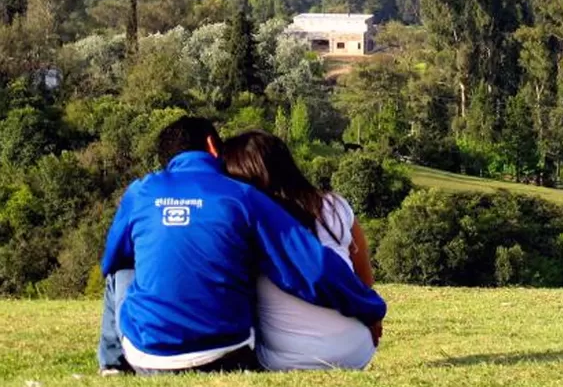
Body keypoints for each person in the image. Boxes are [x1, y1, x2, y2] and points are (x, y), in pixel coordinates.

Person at [98, 117, 386, 375]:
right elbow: (313, 268)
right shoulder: (243, 195)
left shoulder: (140, 192)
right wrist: (371, 308)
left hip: (148, 358)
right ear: (213, 146)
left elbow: (112, 260)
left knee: (120, 271)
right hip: (227, 355)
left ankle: (112, 366)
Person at [222, 131, 380, 370]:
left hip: (285, 360)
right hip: (357, 349)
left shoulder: (244, 223)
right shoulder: (335, 206)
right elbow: (365, 279)